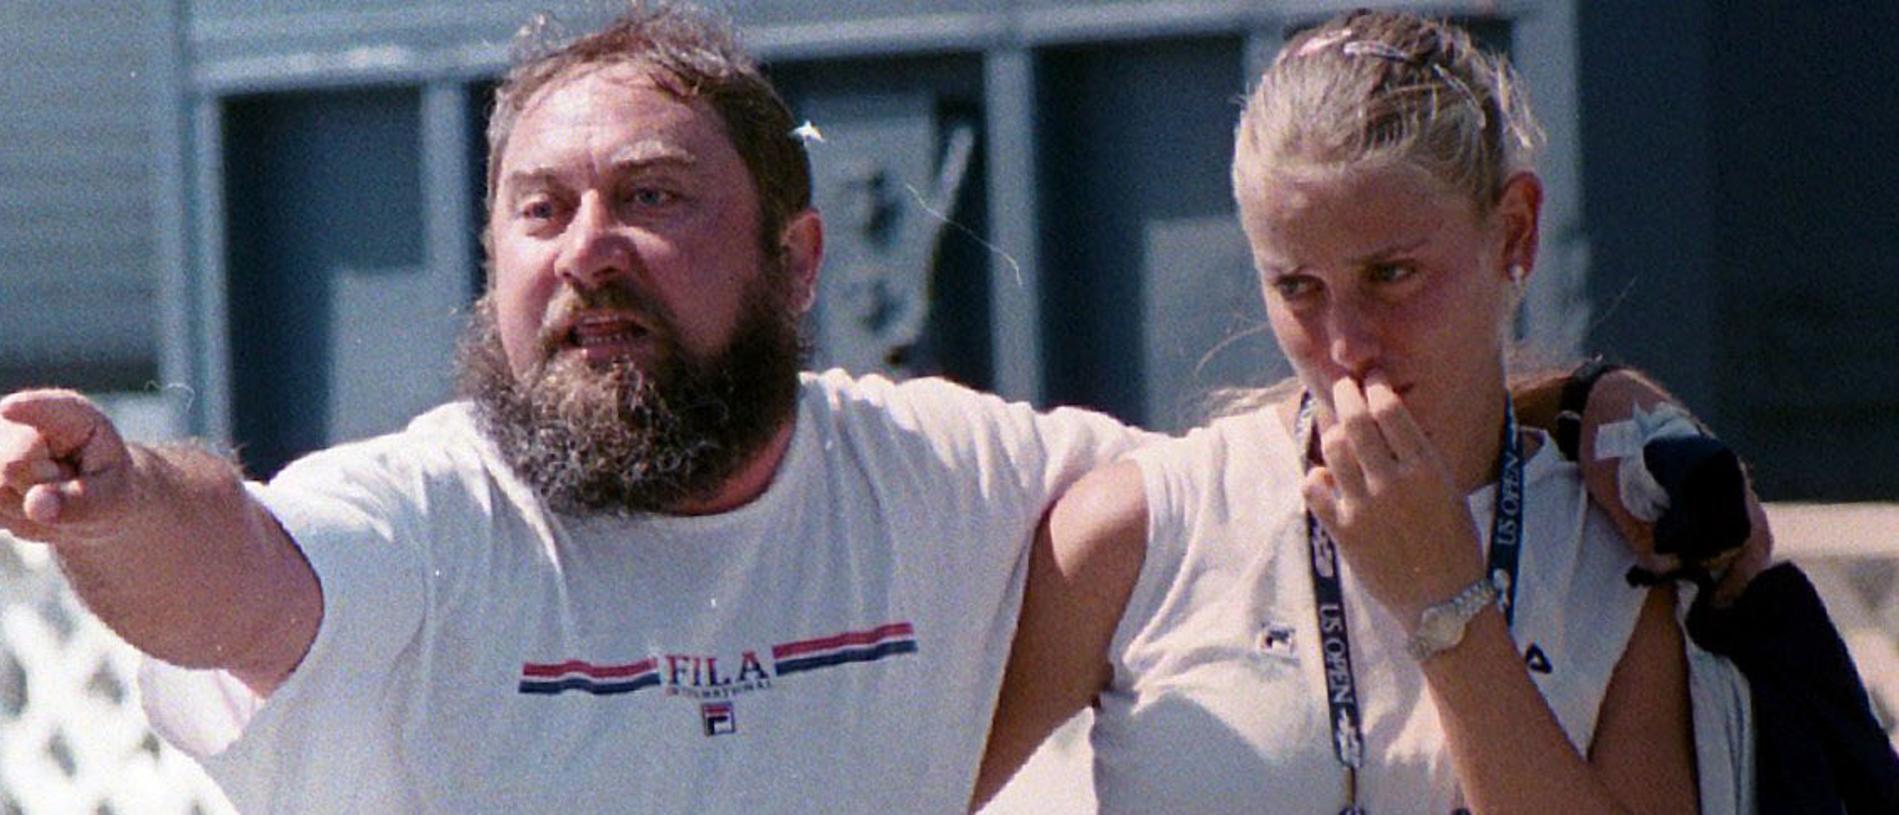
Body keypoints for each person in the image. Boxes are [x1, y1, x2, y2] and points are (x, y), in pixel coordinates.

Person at [0, 2, 1728, 812]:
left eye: (654, 200)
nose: (586, 251)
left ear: (796, 257)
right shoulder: (432, 511)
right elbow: (246, 570)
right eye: (540, 210)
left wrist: (1517, 465)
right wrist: (121, 493)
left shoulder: (958, 480)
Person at [975, 10, 1751, 814]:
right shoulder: (1142, 531)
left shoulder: (1613, 548)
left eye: (1392, 274)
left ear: (1513, 232)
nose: (1346, 345)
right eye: (1297, 287)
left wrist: (1446, 602)